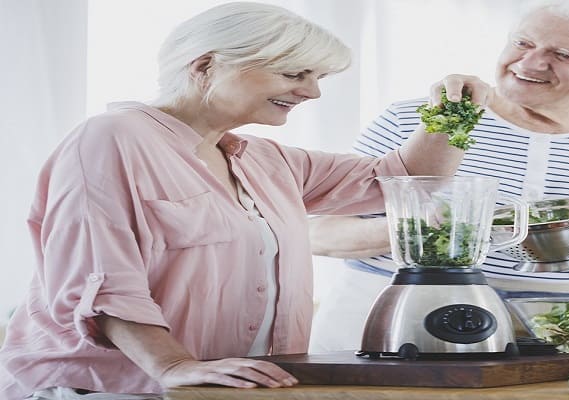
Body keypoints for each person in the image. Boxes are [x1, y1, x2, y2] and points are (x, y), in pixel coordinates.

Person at [0, 2, 471, 398]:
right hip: (114, 390)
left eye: (317, 77)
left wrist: (458, 110)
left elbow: (407, 177)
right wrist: (172, 365)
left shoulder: (267, 161)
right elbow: (100, 278)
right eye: (294, 73)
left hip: (217, 390)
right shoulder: (111, 139)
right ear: (207, 66)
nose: (312, 91)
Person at [308, 0, 569, 353]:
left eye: (563, 55)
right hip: (387, 317)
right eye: (523, 42)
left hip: (548, 332)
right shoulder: (421, 119)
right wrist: (429, 229)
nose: (531, 62)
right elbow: (319, 232)